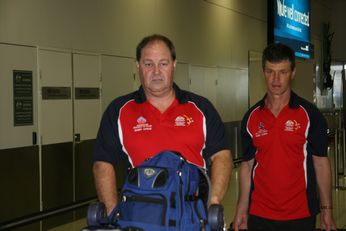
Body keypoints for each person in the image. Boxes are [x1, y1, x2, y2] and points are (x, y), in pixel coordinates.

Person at [92, 34, 233, 215]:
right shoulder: (119, 111)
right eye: (148, 64)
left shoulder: (200, 108)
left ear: (174, 64)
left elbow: (222, 155)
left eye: (163, 63)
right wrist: (113, 213)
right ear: (138, 66)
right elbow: (103, 164)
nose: (156, 71)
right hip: (140, 217)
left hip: (191, 217)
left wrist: (213, 202)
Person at [232, 43, 336, 231]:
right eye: (270, 72)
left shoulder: (310, 115)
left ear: (293, 73)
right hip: (259, 214)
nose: (276, 79)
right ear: (263, 72)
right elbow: (247, 166)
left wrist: (327, 209)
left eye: (283, 72)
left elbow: (321, 164)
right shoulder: (252, 117)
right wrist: (241, 207)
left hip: (300, 214)